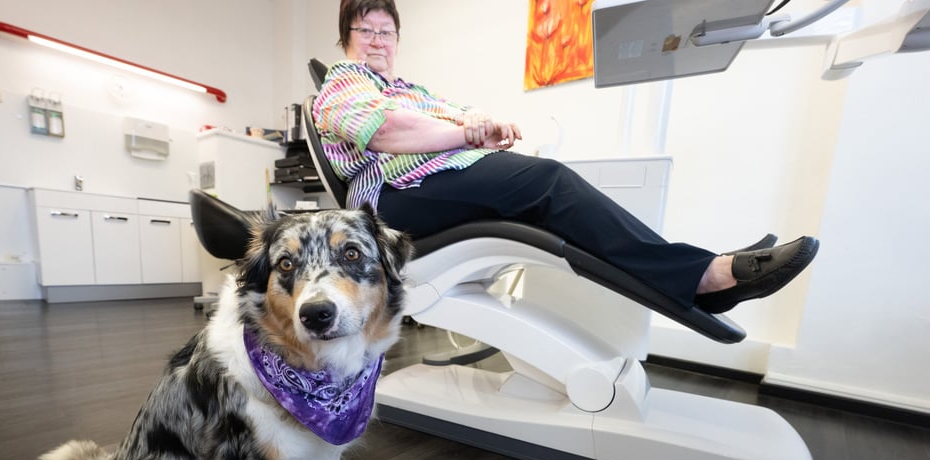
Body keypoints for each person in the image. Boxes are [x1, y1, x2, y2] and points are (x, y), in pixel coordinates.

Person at [313, 0, 819, 314]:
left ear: (398, 39)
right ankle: (706, 276)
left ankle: (698, 275)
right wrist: (467, 132)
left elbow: (463, 117)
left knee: (550, 188)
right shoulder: (342, 82)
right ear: (346, 39)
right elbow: (385, 130)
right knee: (550, 183)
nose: (378, 41)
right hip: (397, 198)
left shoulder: (413, 88)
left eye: (387, 31)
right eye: (366, 31)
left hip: (439, 180)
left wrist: (486, 124)